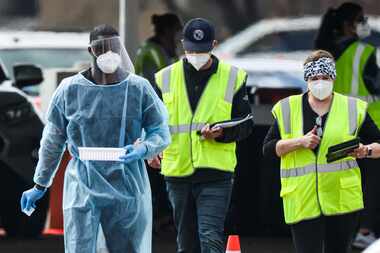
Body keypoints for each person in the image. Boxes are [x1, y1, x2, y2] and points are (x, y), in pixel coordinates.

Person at [20, 24, 171, 253]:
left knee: (127, 246)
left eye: (114, 47)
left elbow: (160, 130)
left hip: (127, 182)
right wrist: (40, 183)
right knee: (80, 245)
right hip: (83, 183)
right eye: (103, 47)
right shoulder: (70, 90)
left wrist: (144, 149)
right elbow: (53, 141)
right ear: (91, 50)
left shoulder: (138, 89)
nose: (109, 53)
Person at [151, 18, 254, 253]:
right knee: (186, 242)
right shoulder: (164, 78)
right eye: (190, 50)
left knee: (210, 236)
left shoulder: (233, 77)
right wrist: (150, 148)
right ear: (183, 45)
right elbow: (151, 121)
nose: (196, 55)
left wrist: (222, 132)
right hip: (178, 171)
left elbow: (246, 123)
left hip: (216, 172)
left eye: (202, 50)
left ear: (214, 45)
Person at [263, 50, 380, 253]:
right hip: (302, 198)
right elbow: (268, 148)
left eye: (325, 78)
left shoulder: (353, 107)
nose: (320, 82)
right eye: (315, 78)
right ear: (307, 79)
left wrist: (366, 150)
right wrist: (300, 141)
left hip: (341, 199)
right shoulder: (287, 108)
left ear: (333, 78)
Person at [315, 2, 380, 248]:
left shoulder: (324, 53)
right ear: (347, 25)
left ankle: (340, 228)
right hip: (369, 123)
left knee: (341, 179)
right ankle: (364, 230)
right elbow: (376, 85)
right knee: (371, 182)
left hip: (337, 124)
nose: (365, 23)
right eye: (360, 19)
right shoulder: (364, 53)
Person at [135, 13, 182, 233]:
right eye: (175, 33)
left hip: (165, 119)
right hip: (151, 120)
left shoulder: (163, 51)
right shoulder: (151, 52)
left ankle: (164, 215)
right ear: (167, 31)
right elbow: (154, 90)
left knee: (162, 169)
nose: (177, 38)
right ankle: (159, 216)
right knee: (155, 170)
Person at [135, 13, 182, 85]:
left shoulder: (168, 53)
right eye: (177, 29)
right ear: (167, 30)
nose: (180, 36)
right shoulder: (149, 53)